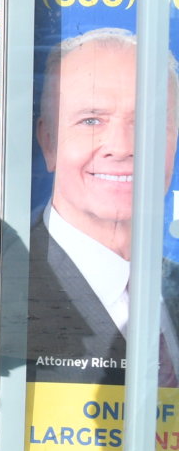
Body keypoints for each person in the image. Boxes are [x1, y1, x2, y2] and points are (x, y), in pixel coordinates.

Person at [28, 27, 179, 384]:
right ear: (48, 141)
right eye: (92, 120)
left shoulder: (172, 283)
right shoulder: (24, 278)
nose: (123, 146)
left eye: (148, 120)